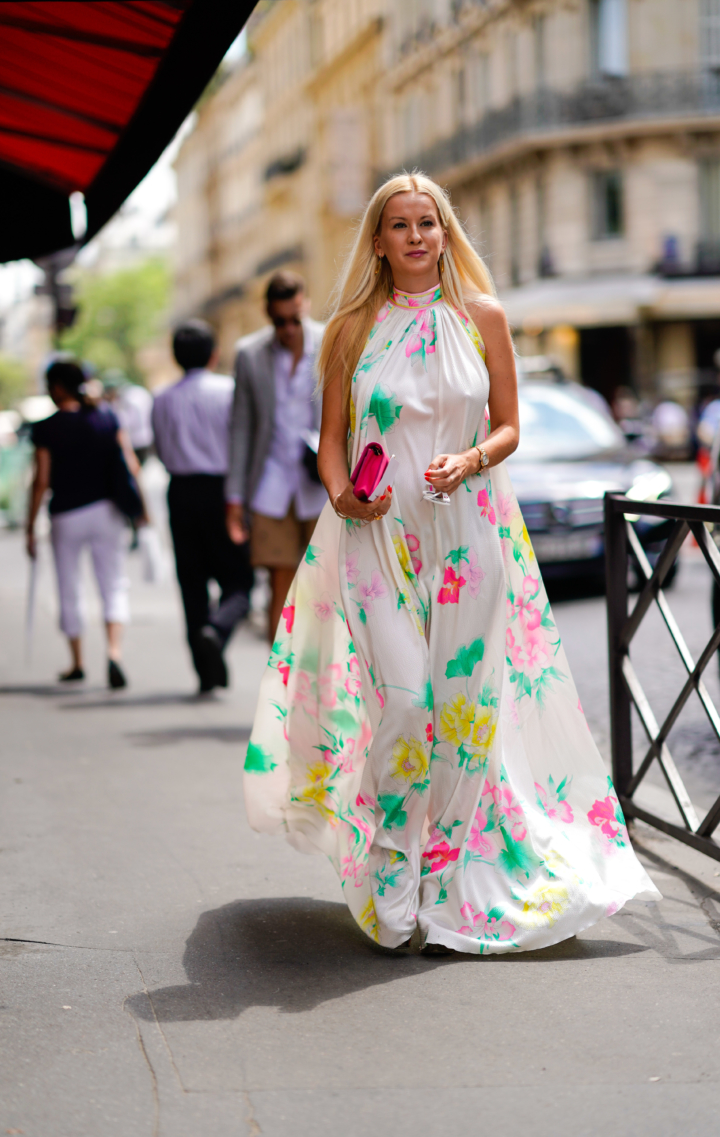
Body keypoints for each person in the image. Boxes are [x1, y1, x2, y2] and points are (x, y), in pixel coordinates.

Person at [242, 172, 659, 955]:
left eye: (427, 222)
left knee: (464, 717)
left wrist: (469, 460)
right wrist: (340, 497)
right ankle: (391, 866)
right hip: (377, 537)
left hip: (469, 537)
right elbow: (330, 439)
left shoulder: (482, 318)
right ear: (377, 240)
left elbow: (509, 426)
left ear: (444, 232)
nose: (414, 236)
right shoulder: (350, 329)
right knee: (404, 703)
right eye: (398, 225)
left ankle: (446, 879)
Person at [152, 320, 253, 694]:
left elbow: (161, 450)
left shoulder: (161, 398)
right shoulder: (228, 391)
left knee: (191, 584)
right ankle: (219, 630)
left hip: (181, 492)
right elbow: (241, 441)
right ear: (214, 354)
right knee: (239, 580)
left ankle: (205, 673)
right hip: (224, 492)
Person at [26, 358, 139, 688]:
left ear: (58, 388)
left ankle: (77, 661)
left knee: (69, 586)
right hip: (107, 511)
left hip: (66, 515)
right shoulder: (106, 417)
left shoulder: (46, 427)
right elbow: (130, 465)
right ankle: (114, 652)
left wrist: (30, 527)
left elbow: (41, 480)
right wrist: (141, 509)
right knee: (113, 583)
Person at [226, 271, 326, 642]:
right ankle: (278, 682)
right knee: (279, 584)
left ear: (306, 305)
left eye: (294, 319)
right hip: (270, 483)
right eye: (279, 321)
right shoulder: (250, 354)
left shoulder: (332, 341)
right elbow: (240, 427)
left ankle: (320, 676)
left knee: (325, 584)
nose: (287, 329)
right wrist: (235, 495)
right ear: (267, 314)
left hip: (323, 484)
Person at [102, 370, 154, 465]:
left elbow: (127, 422)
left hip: (136, 440)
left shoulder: (127, 397)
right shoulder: (139, 391)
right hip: (148, 437)